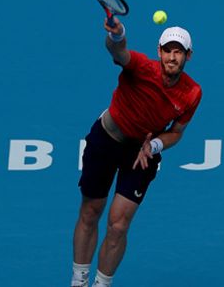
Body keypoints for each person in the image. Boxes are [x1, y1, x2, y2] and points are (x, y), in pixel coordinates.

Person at [70, 16, 202, 287]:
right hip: (106, 139)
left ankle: (101, 284)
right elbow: (118, 52)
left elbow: (176, 132)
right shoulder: (141, 67)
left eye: (178, 52)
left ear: (188, 56)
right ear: (159, 52)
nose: (172, 57)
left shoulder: (192, 93)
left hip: (141, 153)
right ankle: (78, 281)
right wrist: (117, 35)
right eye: (168, 50)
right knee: (91, 211)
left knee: (118, 224)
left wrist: (153, 145)